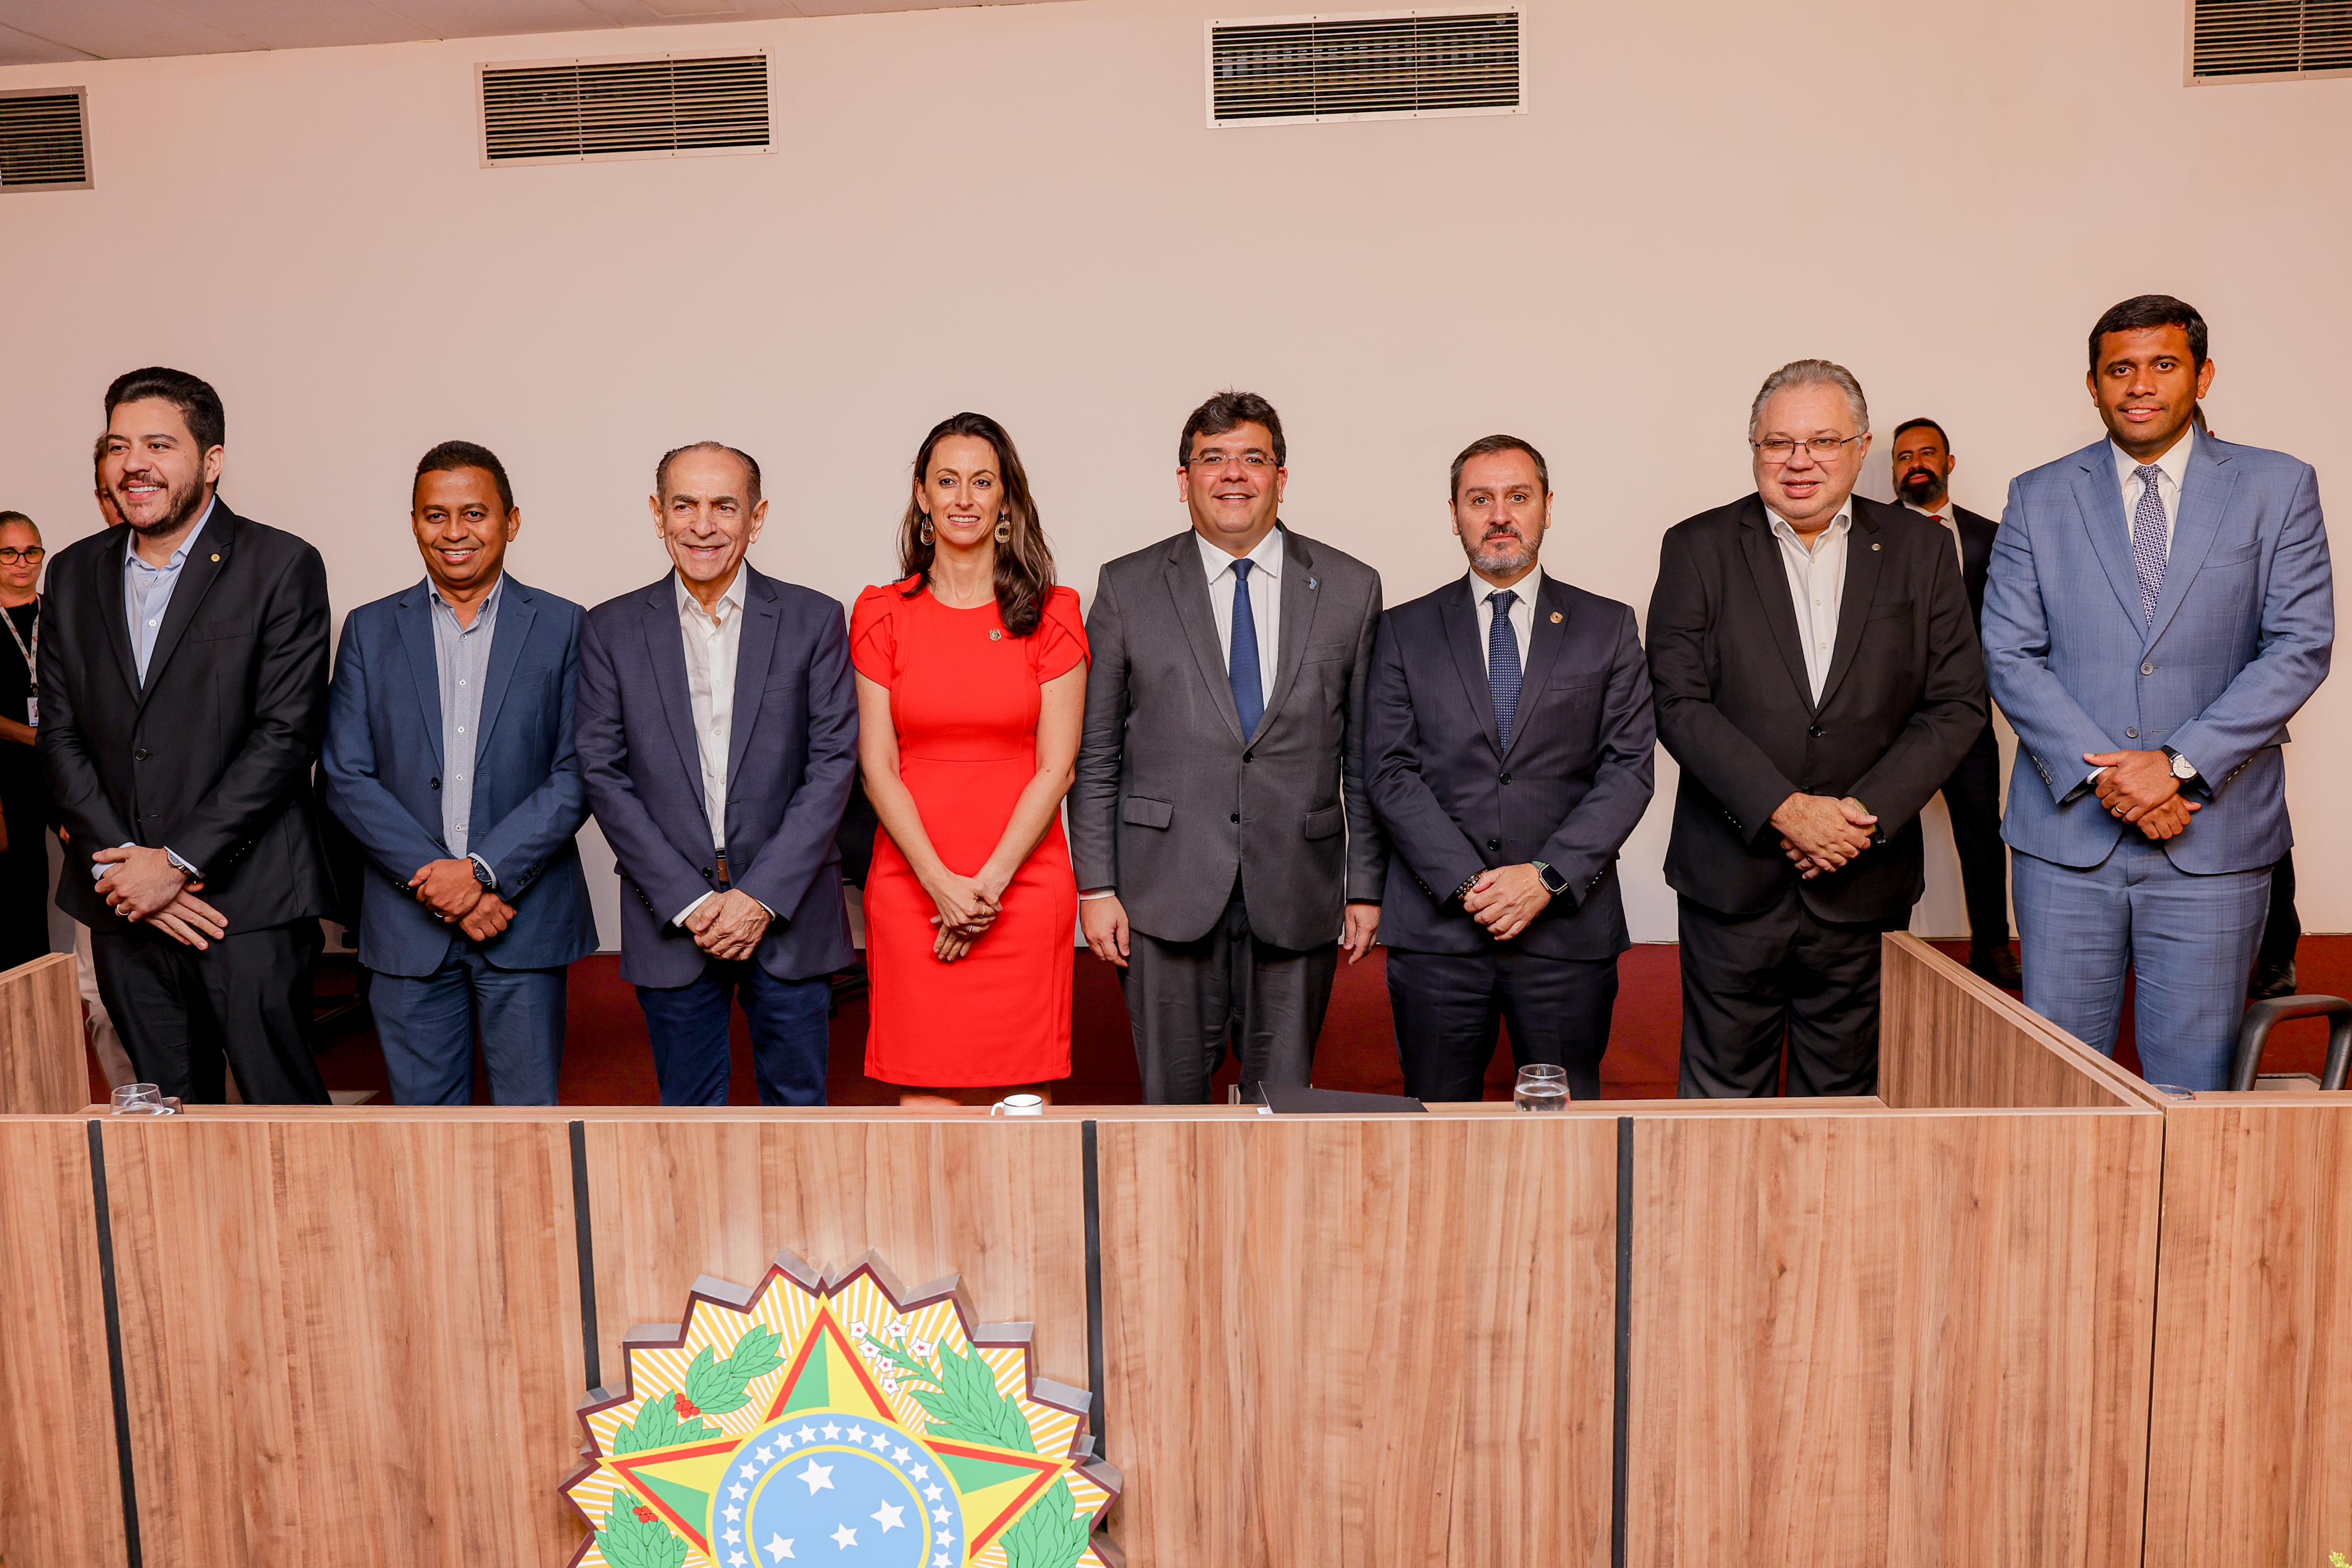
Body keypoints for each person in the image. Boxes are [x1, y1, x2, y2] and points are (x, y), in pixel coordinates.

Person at [1983, 296, 2333, 1089]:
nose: (2140, 384)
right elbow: (2009, 651)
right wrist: (2114, 776)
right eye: (2120, 368)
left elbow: (2299, 645)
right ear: (2093, 384)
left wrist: (2176, 764)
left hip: (2213, 842)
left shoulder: (2278, 487)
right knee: (2060, 1091)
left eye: (2163, 364)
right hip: (2066, 841)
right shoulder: (2038, 495)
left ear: (2202, 374)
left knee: (2195, 1091)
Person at [1648, 360, 1985, 1098]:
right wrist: (1787, 810)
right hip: (1732, 881)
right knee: (1720, 1097)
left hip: (1864, 876)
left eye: (1824, 440)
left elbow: (1957, 702)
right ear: (1754, 447)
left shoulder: (1921, 551)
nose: (1800, 461)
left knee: (1846, 1100)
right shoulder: (1697, 547)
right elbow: (1678, 701)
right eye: (1779, 443)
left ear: (1863, 447)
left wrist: (1858, 819)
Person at [1072, 390, 1386, 1103]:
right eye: (1212, 459)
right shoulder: (1126, 587)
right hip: (1162, 891)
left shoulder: (1349, 587)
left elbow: (1364, 758)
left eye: (1252, 458)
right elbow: (1096, 757)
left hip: (1298, 888)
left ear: (1281, 476)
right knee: (1172, 1110)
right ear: (1184, 480)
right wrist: (1096, 885)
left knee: (1284, 1111)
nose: (1233, 474)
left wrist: (1364, 885)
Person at [39, 367, 336, 1104]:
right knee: (166, 1127)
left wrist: (173, 862)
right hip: (121, 908)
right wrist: (125, 874)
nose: (133, 461)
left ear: (210, 460)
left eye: (159, 443)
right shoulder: (73, 573)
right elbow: (62, 735)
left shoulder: (280, 564)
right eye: (118, 444)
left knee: (283, 1115)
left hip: (249, 900)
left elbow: (285, 735)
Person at [1365, 435, 1655, 1102]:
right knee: (1437, 1132)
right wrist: (1470, 883)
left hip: (1565, 936)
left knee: (1564, 1144)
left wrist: (1545, 877)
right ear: (1454, 513)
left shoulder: (1605, 626)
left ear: (1547, 507)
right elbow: (1388, 770)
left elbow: (1628, 768)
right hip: (1439, 935)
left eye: (1517, 497)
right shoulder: (1401, 630)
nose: (1499, 514)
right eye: (1479, 499)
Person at [577, 441, 857, 1106]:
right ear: (657, 513)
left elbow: (833, 763)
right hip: (671, 917)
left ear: (755, 518)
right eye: (685, 505)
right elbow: (602, 772)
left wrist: (758, 897)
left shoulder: (814, 619)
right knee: (689, 1120)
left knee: (799, 1113)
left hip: (788, 912)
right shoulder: (610, 628)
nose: (703, 524)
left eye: (723, 506)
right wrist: (692, 900)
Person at [321, 441, 597, 1105]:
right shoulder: (368, 629)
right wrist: (439, 882)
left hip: (521, 919)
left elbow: (578, 772)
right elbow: (345, 775)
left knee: (530, 1128)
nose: (454, 532)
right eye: (434, 515)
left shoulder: (564, 626)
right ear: (413, 522)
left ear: (512, 520)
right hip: (406, 926)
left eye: (474, 513)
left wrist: (479, 874)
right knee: (427, 1139)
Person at [850, 413, 1087, 1106]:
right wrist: (941, 886)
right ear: (921, 496)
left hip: (1022, 887)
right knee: (923, 1112)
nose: (963, 498)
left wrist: (985, 888)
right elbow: (877, 767)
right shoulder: (880, 613)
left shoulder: (1054, 613)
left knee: (1021, 1112)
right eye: (946, 481)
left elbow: (1058, 768)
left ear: (1005, 498)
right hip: (910, 889)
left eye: (981, 482)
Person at [1888, 418, 2021, 987]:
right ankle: (1882, 944)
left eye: (1926, 453)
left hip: (1965, 715)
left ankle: (1992, 946)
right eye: (1902, 456)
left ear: (1948, 462)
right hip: (1889, 721)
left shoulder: (1991, 537)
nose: (1914, 463)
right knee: (1883, 830)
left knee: (1980, 834)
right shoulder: (1871, 536)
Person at [0, 511, 50, 971]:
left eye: (31, 551)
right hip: (7, 776)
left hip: (63, 766)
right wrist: (37, 738)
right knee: (17, 886)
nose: (22, 562)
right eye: (9, 553)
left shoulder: (60, 614)